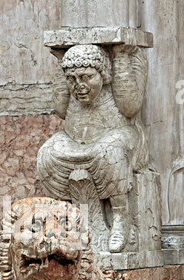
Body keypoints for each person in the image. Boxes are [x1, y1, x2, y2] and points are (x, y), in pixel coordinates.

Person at [37, 44, 149, 253]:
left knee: (111, 152)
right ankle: (63, 220)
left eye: (87, 77)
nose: (79, 85)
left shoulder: (112, 87)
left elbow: (130, 107)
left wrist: (121, 57)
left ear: (103, 74)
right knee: (47, 154)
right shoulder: (72, 93)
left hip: (116, 134)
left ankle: (119, 218)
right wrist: (61, 64)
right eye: (72, 79)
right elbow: (61, 109)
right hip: (76, 139)